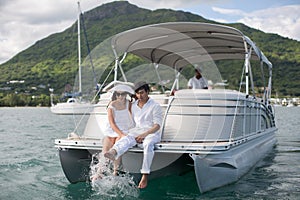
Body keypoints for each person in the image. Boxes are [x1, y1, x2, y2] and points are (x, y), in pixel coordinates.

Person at [104, 81, 163, 189]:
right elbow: (121, 110)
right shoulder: (134, 105)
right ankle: (113, 152)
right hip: (137, 131)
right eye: (137, 94)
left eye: (142, 93)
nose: (139, 96)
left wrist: (144, 134)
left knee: (148, 144)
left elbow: (157, 126)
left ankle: (145, 175)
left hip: (151, 133)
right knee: (127, 138)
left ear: (147, 92)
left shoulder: (155, 106)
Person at [91, 84, 135, 181]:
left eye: (122, 94)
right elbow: (112, 123)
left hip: (124, 130)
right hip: (112, 130)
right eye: (118, 94)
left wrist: (128, 132)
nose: (120, 96)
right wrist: (120, 133)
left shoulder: (129, 104)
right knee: (105, 149)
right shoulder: (112, 105)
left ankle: (115, 172)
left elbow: (133, 117)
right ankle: (99, 173)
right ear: (115, 95)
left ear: (126, 94)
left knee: (117, 146)